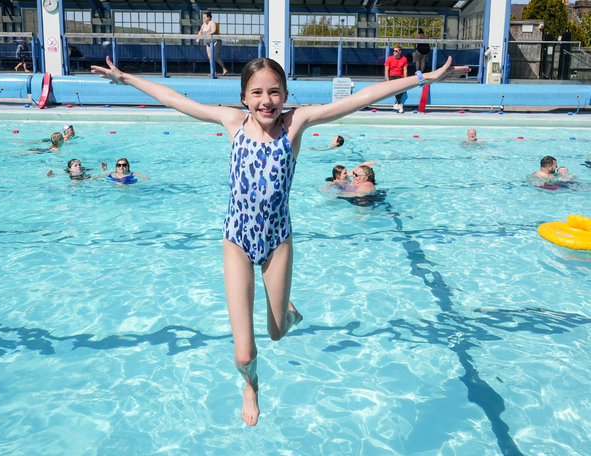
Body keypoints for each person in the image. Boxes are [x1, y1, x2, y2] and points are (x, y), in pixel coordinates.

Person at [91, 54, 468, 427]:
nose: (265, 100)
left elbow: (360, 98)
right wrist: (125, 77)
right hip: (236, 241)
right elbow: (175, 99)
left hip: (277, 242)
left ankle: (286, 312)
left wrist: (425, 78)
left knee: (276, 333)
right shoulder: (232, 123)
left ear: (286, 95)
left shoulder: (295, 124)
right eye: (256, 93)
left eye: (274, 92)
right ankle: (251, 386)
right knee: (243, 354)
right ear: (244, 97)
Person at [196, 12, 228, 76]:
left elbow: (213, 31)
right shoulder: (203, 25)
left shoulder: (212, 23)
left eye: (205, 17)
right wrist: (198, 38)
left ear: (209, 17)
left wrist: (205, 35)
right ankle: (213, 71)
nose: (204, 19)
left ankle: (224, 69)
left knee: (215, 56)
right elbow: (200, 32)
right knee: (210, 58)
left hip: (215, 41)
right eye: (203, 17)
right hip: (208, 43)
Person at [385, 46, 408, 113]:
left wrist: (406, 79)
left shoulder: (404, 59)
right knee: (395, 87)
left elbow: (405, 70)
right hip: (392, 76)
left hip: (400, 76)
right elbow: (386, 70)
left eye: (396, 51)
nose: (394, 52)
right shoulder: (389, 59)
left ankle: (398, 103)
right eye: (394, 51)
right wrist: (387, 80)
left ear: (400, 52)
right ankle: (399, 103)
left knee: (401, 87)